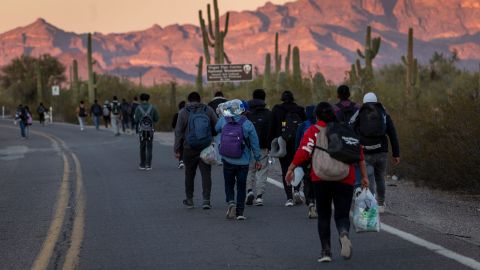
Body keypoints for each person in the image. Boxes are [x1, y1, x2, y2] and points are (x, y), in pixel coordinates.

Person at [286, 102, 369, 263]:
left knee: (324, 215)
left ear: (316, 116)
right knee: (342, 214)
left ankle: (326, 251)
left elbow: (304, 152)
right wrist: (364, 177)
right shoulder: (345, 130)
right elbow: (359, 155)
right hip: (345, 177)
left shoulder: (312, 131)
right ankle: (343, 232)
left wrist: (291, 168)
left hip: (321, 178)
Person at [350, 92, 400, 213]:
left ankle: (371, 205)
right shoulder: (383, 112)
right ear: (376, 101)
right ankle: (381, 204)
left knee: (369, 178)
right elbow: (392, 133)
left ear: (364, 101)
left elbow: (351, 128)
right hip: (381, 151)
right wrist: (396, 153)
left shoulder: (360, 112)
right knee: (380, 178)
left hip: (365, 151)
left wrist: (355, 147)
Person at [216, 99, 262, 220]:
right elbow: (255, 144)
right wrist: (258, 159)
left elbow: (216, 129)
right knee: (241, 186)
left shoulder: (223, 120)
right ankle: (240, 212)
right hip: (243, 161)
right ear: (243, 111)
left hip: (227, 158)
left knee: (229, 183)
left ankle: (231, 201)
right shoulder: (248, 124)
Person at [174, 92, 218, 209]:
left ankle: (189, 200)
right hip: (206, 147)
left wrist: (177, 149)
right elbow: (217, 126)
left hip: (189, 147)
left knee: (189, 174)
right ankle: (206, 200)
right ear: (200, 100)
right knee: (206, 174)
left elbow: (178, 132)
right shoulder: (207, 110)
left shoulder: (183, 112)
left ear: (188, 100)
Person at [270, 90, 306, 206]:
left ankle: (289, 198)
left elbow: (272, 127)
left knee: (285, 168)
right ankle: (296, 190)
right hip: (298, 143)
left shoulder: (277, 109)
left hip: (283, 142)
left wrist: (271, 143)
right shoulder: (299, 110)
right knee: (297, 167)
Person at [245, 89, 272, 206]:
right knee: (262, 171)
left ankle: (249, 191)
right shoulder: (268, 113)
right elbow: (271, 131)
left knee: (249, 170)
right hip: (263, 147)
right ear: (264, 98)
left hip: (248, 147)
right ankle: (259, 196)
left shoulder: (246, 113)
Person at [294, 104, 317, 218]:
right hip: (320, 157)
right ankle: (318, 203)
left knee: (307, 180)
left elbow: (298, 143)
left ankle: (311, 202)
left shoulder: (303, 125)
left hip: (306, 157)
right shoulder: (321, 126)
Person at [134, 93, 159, 171]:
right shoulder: (153, 107)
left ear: (141, 99)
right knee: (149, 147)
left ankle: (142, 164)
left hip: (141, 130)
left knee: (142, 147)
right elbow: (156, 119)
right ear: (148, 99)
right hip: (150, 130)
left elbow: (136, 120)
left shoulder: (138, 108)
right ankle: (148, 165)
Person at [172, 101, 186, 169]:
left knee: (180, 147)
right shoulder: (189, 114)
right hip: (187, 133)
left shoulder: (176, 114)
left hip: (179, 133)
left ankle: (181, 161)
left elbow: (173, 125)